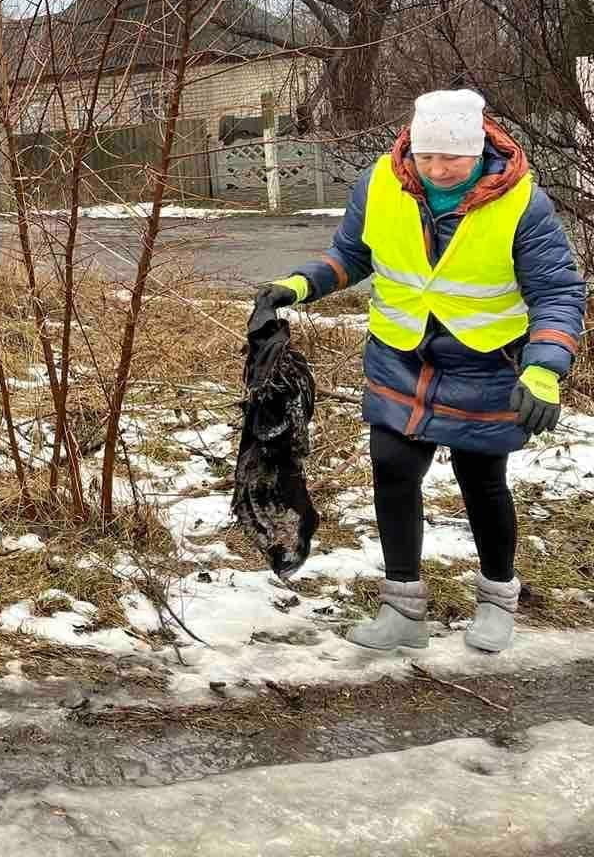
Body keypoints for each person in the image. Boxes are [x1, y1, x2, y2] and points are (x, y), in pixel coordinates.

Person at [250, 90, 584, 654]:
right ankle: (403, 607)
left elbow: (557, 291)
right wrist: (300, 284)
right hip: (401, 353)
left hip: (486, 359)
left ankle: (498, 598)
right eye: (427, 156)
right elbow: (353, 255)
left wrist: (546, 365)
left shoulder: (523, 204)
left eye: (450, 158)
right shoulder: (380, 183)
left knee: (481, 478)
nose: (435, 169)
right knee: (393, 467)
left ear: (477, 149)